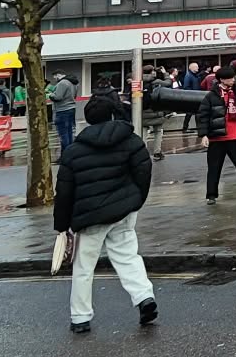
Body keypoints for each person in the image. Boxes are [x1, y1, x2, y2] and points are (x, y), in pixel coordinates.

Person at [54, 95, 158, 333]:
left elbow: (64, 192)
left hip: (89, 217)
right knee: (128, 256)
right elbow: (144, 171)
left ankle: (80, 317)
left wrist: (61, 225)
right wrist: (135, 200)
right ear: (112, 114)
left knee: (84, 267)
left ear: (88, 119)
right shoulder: (131, 140)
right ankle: (144, 297)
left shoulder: (73, 151)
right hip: (123, 210)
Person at [200, 65, 236, 202]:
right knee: (214, 168)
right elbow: (203, 115)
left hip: (235, 135)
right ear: (222, 80)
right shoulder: (211, 96)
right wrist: (204, 135)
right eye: (230, 78)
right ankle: (211, 195)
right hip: (217, 137)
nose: (233, 80)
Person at [141, 65, 174, 163]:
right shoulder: (156, 82)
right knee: (158, 131)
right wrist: (165, 73)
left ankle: (142, 152)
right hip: (155, 111)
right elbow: (168, 83)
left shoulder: (139, 82)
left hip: (143, 111)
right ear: (152, 72)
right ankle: (157, 152)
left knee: (143, 132)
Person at [48, 69, 79, 153]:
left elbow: (58, 97)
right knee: (69, 132)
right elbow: (75, 96)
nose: (55, 79)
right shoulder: (73, 83)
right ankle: (71, 152)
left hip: (62, 110)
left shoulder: (62, 83)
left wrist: (50, 95)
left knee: (63, 134)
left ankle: (65, 154)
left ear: (58, 75)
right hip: (71, 108)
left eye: (55, 77)